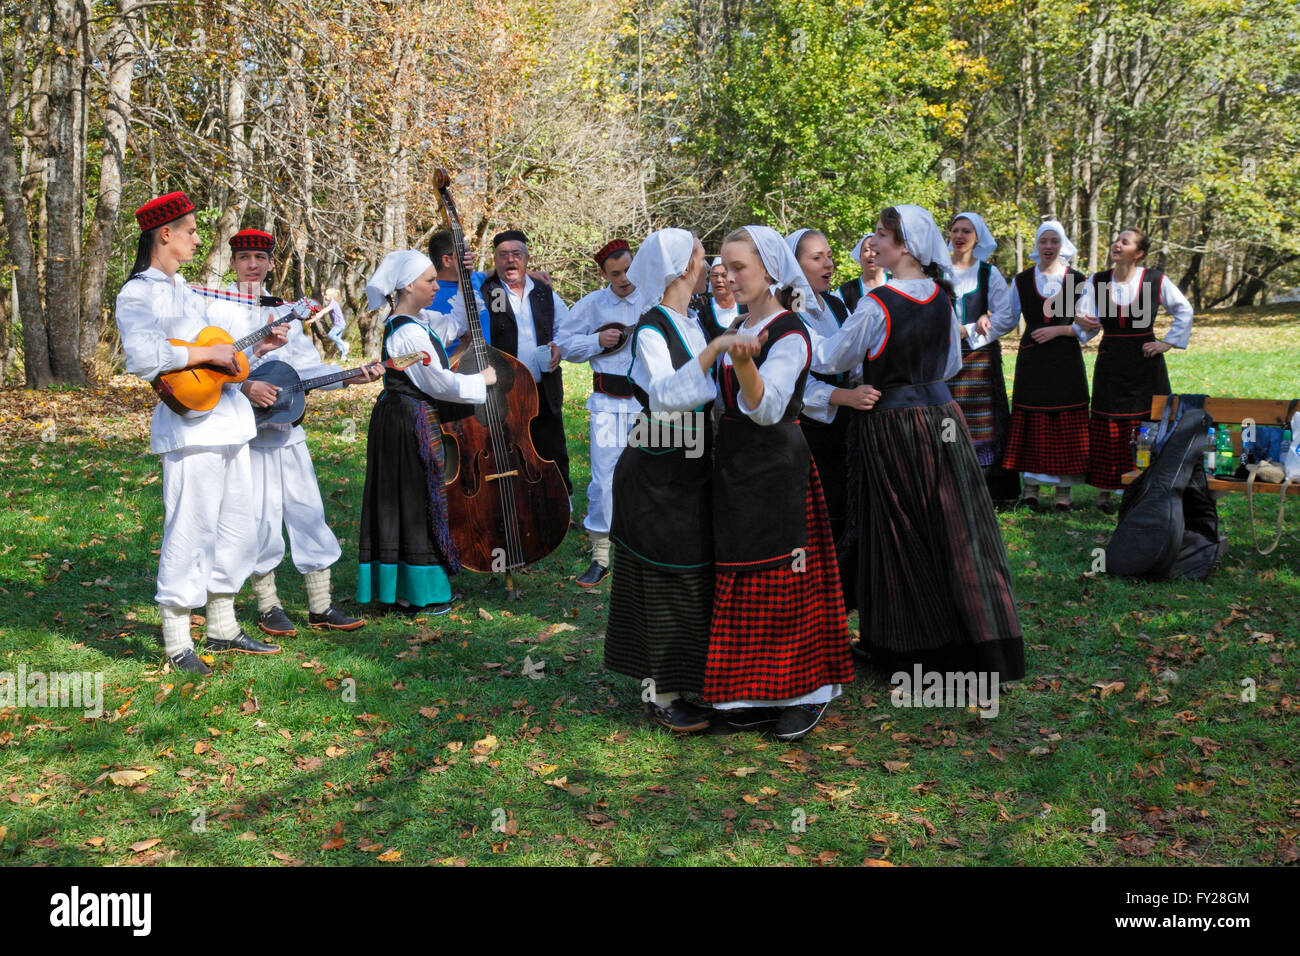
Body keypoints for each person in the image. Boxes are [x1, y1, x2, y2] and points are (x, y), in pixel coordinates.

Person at [814, 205, 1024, 683]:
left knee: (900, 530)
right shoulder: (940, 296)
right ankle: (982, 651)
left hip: (892, 424)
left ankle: (913, 651)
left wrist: (788, 323)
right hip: (942, 420)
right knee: (956, 526)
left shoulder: (878, 301)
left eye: (882, 237)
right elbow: (951, 364)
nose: (874, 245)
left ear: (904, 245)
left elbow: (831, 357)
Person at [115, 192, 288, 675]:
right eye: (190, 231)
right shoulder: (138, 293)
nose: (197, 238)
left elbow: (224, 342)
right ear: (164, 234)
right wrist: (206, 357)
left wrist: (261, 340)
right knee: (189, 528)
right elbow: (144, 356)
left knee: (235, 527)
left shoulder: (188, 291)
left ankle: (223, 625)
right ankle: (176, 641)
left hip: (230, 423)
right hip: (189, 429)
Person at [701, 225, 856, 741]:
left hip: (777, 464)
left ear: (769, 270)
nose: (728, 274)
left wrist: (743, 361)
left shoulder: (791, 331)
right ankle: (747, 692)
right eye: (722, 265)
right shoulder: (736, 324)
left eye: (739, 266)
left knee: (786, 577)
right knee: (742, 574)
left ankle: (802, 693)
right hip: (736, 467)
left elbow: (767, 408)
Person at [223, 228, 378, 638]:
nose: (252, 265)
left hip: (288, 433)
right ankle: (269, 606)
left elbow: (305, 372)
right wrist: (244, 386)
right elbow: (210, 369)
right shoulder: (218, 309)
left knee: (309, 512)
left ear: (272, 263)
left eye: (260, 257)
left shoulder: (286, 311)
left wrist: (347, 379)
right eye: (244, 258)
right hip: (248, 436)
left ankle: (321, 605)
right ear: (233, 262)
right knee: (260, 519)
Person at [605, 228, 730, 732]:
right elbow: (663, 396)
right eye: (702, 257)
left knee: (690, 573)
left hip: (689, 466)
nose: (707, 265)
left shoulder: (693, 320)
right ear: (683, 268)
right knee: (663, 575)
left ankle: (689, 678)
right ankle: (661, 693)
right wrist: (715, 350)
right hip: (656, 471)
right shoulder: (653, 329)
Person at [356, 251, 496, 614]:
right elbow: (438, 382)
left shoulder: (420, 321)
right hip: (406, 421)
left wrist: (467, 280)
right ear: (407, 286)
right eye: (430, 281)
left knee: (412, 496)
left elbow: (458, 323)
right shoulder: (407, 335)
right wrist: (480, 380)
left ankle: (407, 588)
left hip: (406, 416)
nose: (436, 286)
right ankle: (419, 593)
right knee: (415, 498)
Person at [785, 227, 879, 609]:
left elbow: (852, 356)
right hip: (811, 430)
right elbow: (797, 381)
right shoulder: (788, 309)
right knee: (816, 521)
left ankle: (837, 609)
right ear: (795, 265)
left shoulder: (837, 304)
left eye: (829, 255)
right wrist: (844, 396)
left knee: (842, 514)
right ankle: (810, 606)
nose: (829, 263)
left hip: (845, 425)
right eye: (816, 257)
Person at [982, 221, 1097, 511]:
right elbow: (1007, 319)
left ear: (1062, 246)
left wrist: (1062, 330)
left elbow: (1091, 326)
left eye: (1054, 241)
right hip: (1033, 361)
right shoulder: (1021, 281)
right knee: (1032, 421)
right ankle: (1031, 489)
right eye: (1043, 241)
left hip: (1066, 360)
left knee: (1066, 422)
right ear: (1037, 244)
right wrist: (979, 328)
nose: (1048, 247)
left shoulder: (1078, 279)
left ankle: (1063, 492)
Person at [451, 230, 574, 497]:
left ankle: (562, 504)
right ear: (494, 260)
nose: (510, 261)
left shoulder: (544, 292)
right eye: (503, 255)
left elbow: (566, 328)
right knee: (508, 451)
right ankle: (517, 503)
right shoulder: (485, 291)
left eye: (516, 254)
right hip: (504, 391)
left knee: (552, 447)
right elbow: (465, 286)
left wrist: (558, 347)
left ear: (527, 258)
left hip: (543, 387)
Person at [1084, 227, 1194, 512]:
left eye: (1125, 241)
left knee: (1146, 423)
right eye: (1116, 239)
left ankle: (1142, 486)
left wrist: (1166, 343)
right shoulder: (1097, 281)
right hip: (1111, 362)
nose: (1116, 244)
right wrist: (1081, 323)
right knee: (1108, 422)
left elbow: (1184, 309)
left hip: (1145, 364)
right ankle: (1105, 491)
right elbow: (1086, 321)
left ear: (1140, 252)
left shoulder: (1155, 279)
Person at [556, 239, 641, 586]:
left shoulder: (653, 300)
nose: (624, 279)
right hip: (607, 404)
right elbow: (563, 344)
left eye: (628, 270)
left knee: (645, 476)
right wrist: (596, 341)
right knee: (605, 480)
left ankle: (642, 550)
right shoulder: (592, 304)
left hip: (646, 405)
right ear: (603, 273)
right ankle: (601, 556)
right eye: (615, 273)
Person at [946, 212, 1020, 506]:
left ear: (977, 238)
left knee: (981, 422)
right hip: (942, 358)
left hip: (978, 359)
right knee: (946, 419)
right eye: (956, 230)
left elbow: (1007, 316)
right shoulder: (937, 272)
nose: (960, 236)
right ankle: (950, 484)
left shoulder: (989, 274)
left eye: (967, 231)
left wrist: (973, 333)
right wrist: (955, 330)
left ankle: (983, 489)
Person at [424, 229, 489, 352]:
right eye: (466, 253)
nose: (472, 256)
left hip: (487, 367)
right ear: (447, 260)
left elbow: (491, 273)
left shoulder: (472, 278)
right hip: (454, 368)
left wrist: (531, 274)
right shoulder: (429, 297)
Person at [694, 257, 744, 339]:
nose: (719, 280)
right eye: (714, 275)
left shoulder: (746, 307)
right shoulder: (703, 311)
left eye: (724, 275)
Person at [838, 233, 889, 313]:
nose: (872, 254)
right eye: (867, 250)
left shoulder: (897, 284)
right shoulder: (844, 292)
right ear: (860, 257)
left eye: (876, 250)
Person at [320, 288, 349, 360]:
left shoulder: (333, 303)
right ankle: (343, 356)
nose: (324, 296)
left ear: (331, 296)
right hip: (340, 324)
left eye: (326, 295)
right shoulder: (332, 303)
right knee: (337, 341)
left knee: (331, 335)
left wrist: (320, 313)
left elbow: (326, 310)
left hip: (339, 324)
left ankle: (344, 344)